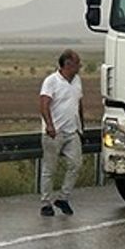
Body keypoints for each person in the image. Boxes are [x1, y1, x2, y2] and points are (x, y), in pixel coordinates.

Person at [38, 49, 84, 216]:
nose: (80, 66)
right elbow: (44, 104)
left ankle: (63, 198)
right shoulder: (52, 81)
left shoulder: (77, 80)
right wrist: (49, 125)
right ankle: (46, 203)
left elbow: (79, 103)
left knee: (76, 165)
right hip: (54, 132)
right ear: (68, 64)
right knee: (50, 168)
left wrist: (81, 126)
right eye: (77, 63)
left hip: (72, 131)